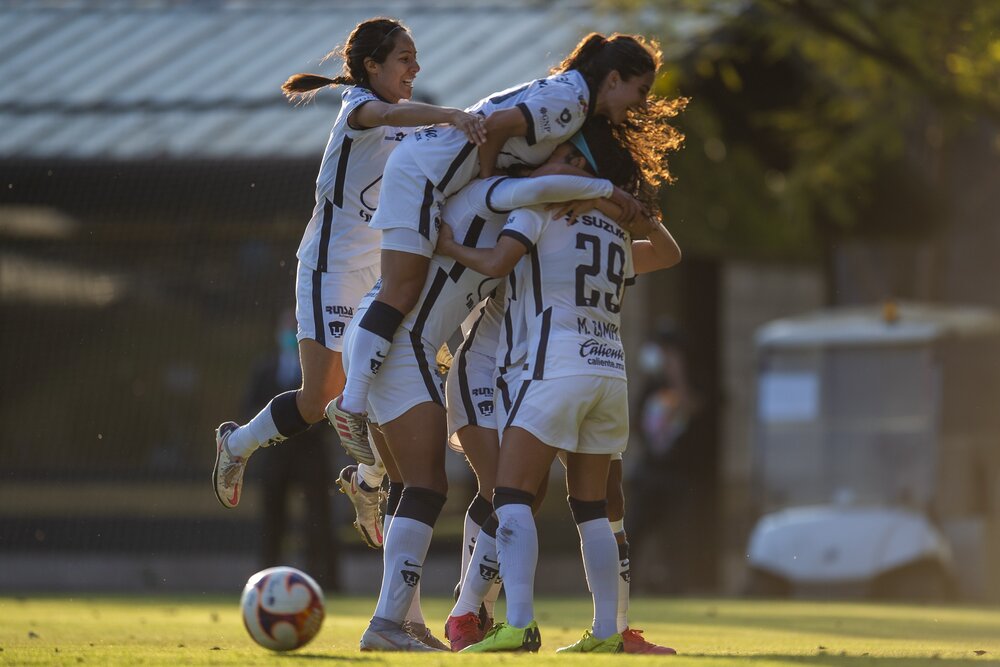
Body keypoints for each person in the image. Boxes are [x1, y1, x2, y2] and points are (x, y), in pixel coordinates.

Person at [344, 144, 625, 652]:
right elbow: (534, 201)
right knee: (474, 489)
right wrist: (611, 194)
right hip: (446, 356)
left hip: (465, 358)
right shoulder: (504, 197)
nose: (566, 171)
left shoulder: (541, 215)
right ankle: (446, 614)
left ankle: (444, 613)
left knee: (496, 492)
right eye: (563, 160)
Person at [328, 31, 660, 458]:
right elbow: (500, 126)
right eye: (642, 90)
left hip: (427, 171)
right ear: (614, 78)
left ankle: (365, 463)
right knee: (401, 288)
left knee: (406, 291)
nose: (642, 103)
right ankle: (350, 404)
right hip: (424, 174)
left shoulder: (571, 99)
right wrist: (491, 183)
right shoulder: (571, 104)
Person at [211, 18, 487, 524]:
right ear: (372, 66)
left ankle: (368, 482)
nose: (416, 68)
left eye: (415, 57)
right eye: (405, 59)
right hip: (330, 268)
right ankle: (237, 443)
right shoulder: (358, 109)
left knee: (377, 386)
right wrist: (454, 115)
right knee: (321, 399)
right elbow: (387, 114)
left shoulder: (410, 127)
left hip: (381, 274)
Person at [436, 110, 684, 653]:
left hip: (553, 367)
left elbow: (500, 260)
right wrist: (627, 210)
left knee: (511, 494)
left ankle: (518, 621)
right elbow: (669, 253)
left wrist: (447, 245)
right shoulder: (615, 228)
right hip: (610, 373)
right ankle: (607, 632)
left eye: (574, 159)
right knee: (593, 506)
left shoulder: (539, 207)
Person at [245, 310, 340, 591]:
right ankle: (265, 581)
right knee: (273, 520)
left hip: (311, 455)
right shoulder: (264, 368)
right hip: (275, 458)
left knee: (318, 520)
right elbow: (249, 407)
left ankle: (325, 581)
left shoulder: (321, 367)